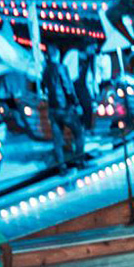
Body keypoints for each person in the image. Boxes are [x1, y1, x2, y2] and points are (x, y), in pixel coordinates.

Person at [43, 45, 85, 173]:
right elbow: (68, 87)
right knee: (79, 132)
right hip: (64, 108)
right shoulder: (61, 68)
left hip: (53, 109)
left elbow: (45, 89)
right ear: (57, 55)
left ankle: (62, 167)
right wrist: (76, 103)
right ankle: (79, 161)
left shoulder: (45, 71)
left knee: (57, 140)